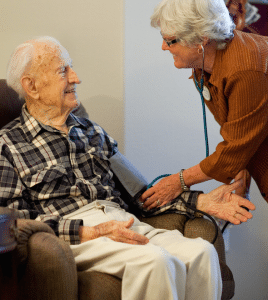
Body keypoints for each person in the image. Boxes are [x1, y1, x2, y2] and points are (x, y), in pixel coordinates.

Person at [0, 37, 254, 300]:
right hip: (75, 235)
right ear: (32, 86)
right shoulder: (8, 145)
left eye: (71, 67)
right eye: (63, 70)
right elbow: (13, 223)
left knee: (202, 252)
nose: (76, 78)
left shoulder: (93, 132)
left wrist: (199, 202)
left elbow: (139, 192)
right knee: (155, 261)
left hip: (121, 221)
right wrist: (88, 231)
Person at [140, 0, 268, 215]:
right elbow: (243, 131)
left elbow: (235, 146)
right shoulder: (204, 66)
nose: (164, 47)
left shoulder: (245, 70)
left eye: (170, 40)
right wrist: (241, 174)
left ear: (201, 39)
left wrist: (177, 182)